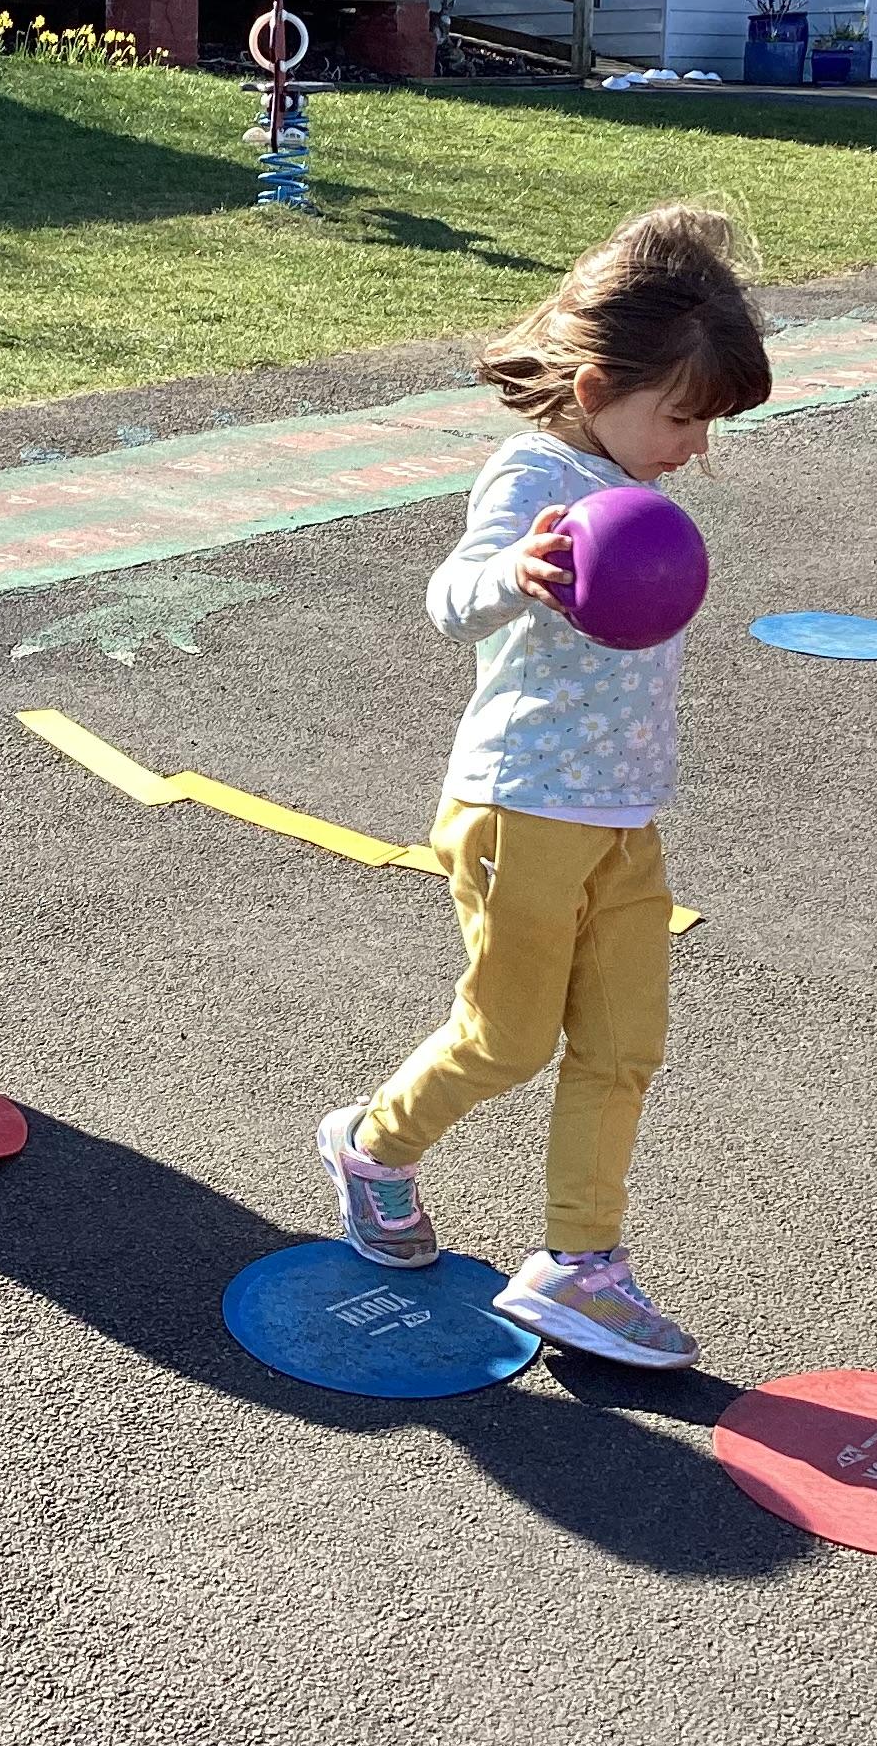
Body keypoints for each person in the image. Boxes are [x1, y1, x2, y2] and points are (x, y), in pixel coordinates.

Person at [316, 207, 773, 1369]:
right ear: (597, 387)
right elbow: (449, 599)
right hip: (520, 808)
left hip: (622, 818)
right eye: (682, 417)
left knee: (624, 1047)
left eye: (709, 424)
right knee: (509, 1040)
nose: (696, 447)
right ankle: (372, 1146)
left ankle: (582, 1264)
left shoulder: (632, 479)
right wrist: (515, 572)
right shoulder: (534, 474)